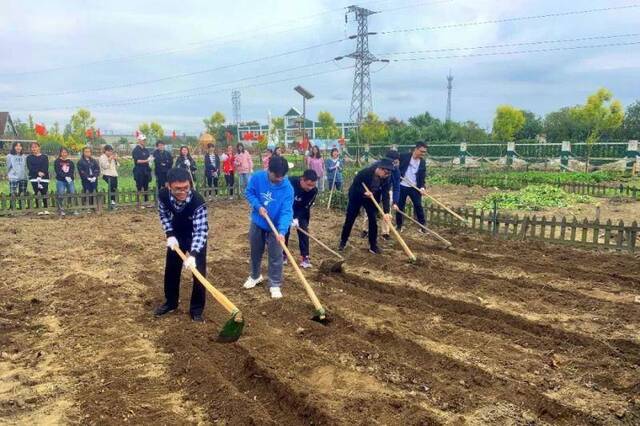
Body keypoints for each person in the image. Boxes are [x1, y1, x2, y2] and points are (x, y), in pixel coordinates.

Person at [154, 168, 209, 322]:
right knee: (171, 269)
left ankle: (196, 310)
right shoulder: (163, 195)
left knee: (199, 273)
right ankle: (171, 303)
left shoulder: (198, 202)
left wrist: (193, 254)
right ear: (168, 186)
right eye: (178, 189)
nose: (183, 191)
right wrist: (169, 234)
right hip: (176, 236)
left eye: (186, 187)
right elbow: (163, 215)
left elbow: (201, 230)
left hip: (195, 237)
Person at [242, 156, 293, 299]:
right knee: (255, 251)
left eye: (281, 177)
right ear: (268, 170)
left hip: (276, 226)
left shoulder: (287, 188)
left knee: (276, 255)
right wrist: (258, 206)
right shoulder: (258, 178)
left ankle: (275, 284)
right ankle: (255, 276)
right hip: (258, 221)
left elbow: (286, 211)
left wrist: (282, 231)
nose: (279, 179)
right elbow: (249, 192)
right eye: (276, 176)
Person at [339, 158, 394, 254]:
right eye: (386, 173)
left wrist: (386, 212)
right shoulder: (365, 172)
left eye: (389, 173)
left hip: (372, 199)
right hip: (357, 196)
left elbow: (385, 194)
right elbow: (356, 185)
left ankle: (373, 246)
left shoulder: (386, 179)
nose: (387, 175)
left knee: (373, 221)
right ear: (380, 168)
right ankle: (343, 242)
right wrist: (364, 192)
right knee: (350, 219)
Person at [362, 150, 401, 240]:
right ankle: (366, 230)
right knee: (369, 211)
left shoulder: (396, 171)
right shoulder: (376, 166)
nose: (396, 164)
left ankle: (385, 233)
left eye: (397, 162)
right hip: (372, 191)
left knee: (387, 212)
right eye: (395, 162)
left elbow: (396, 187)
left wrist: (395, 202)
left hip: (386, 191)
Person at [284, 169, 318, 268]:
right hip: (286, 210)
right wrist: (288, 215)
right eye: (308, 184)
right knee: (284, 231)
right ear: (302, 179)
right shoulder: (290, 182)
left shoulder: (313, 191)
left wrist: (297, 218)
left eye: (313, 185)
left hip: (302, 212)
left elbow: (306, 206)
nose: (310, 188)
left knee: (303, 231)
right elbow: (282, 198)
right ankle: (283, 254)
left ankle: (305, 257)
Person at [397, 141, 428, 232]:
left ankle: (423, 227)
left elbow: (422, 176)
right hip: (402, 185)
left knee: (418, 206)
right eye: (422, 151)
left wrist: (422, 187)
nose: (423, 153)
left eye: (424, 152)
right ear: (416, 149)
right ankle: (399, 225)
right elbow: (395, 165)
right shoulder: (404, 156)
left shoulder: (422, 162)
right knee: (400, 206)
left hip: (414, 187)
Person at [26, 142, 50, 213]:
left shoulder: (44, 157)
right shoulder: (29, 158)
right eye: (32, 147)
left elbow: (46, 166)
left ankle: (45, 208)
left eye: (36, 147)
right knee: (36, 192)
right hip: (34, 177)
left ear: (39, 148)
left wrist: (42, 172)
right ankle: (38, 208)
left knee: (44, 192)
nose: (34, 149)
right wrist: (38, 172)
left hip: (44, 177)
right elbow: (30, 167)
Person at [54, 147, 76, 216]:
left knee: (72, 193)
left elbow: (72, 171)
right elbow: (58, 171)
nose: (64, 154)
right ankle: (61, 209)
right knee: (61, 193)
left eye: (66, 152)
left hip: (69, 180)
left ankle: (72, 208)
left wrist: (68, 176)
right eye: (63, 152)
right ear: (60, 153)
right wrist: (65, 176)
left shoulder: (70, 162)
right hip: (61, 180)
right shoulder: (57, 161)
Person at [6, 142, 28, 209]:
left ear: (22, 148)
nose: (18, 147)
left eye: (20, 146)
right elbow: (8, 167)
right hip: (13, 177)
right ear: (13, 147)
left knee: (22, 193)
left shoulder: (24, 156)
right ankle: (12, 208)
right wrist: (8, 175)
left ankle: (22, 208)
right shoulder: (9, 156)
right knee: (13, 193)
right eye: (16, 146)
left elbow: (25, 167)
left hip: (23, 177)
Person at [132, 133, 152, 202]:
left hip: (146, 170)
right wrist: (146, 160)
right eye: (143, 140)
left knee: (146, 186)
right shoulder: (136, 150)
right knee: (139, 186)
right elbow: (137, 161)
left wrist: (150, 161)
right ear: (139, 141)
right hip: (139, 170)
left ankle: (146, 201)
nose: (144, 141)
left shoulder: (146, 150)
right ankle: (138, 202)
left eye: (145, 140)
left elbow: (149, 158)